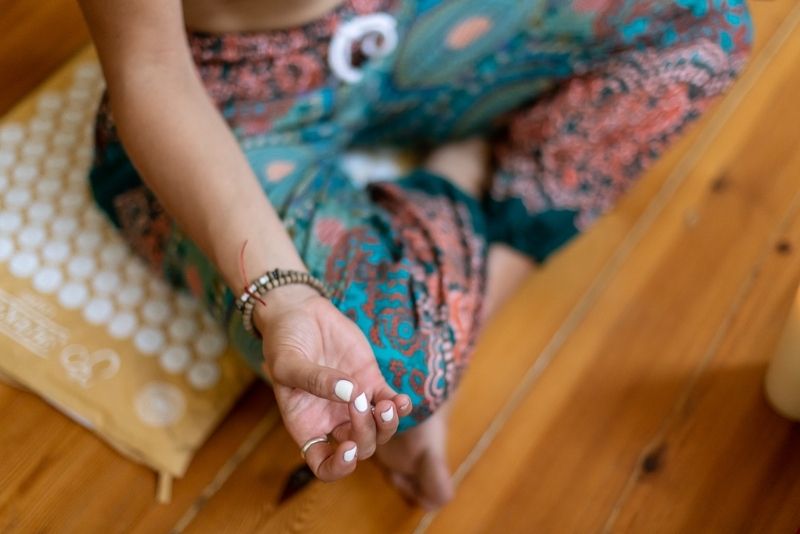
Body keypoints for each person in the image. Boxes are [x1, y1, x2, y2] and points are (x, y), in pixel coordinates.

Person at [79, 0, 753, 509]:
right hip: (234, 96)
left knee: (708, 21)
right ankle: (467, 179)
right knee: (391, 372)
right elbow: (150, 72)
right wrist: (284, 296)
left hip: (404, 24)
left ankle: (474, 235)